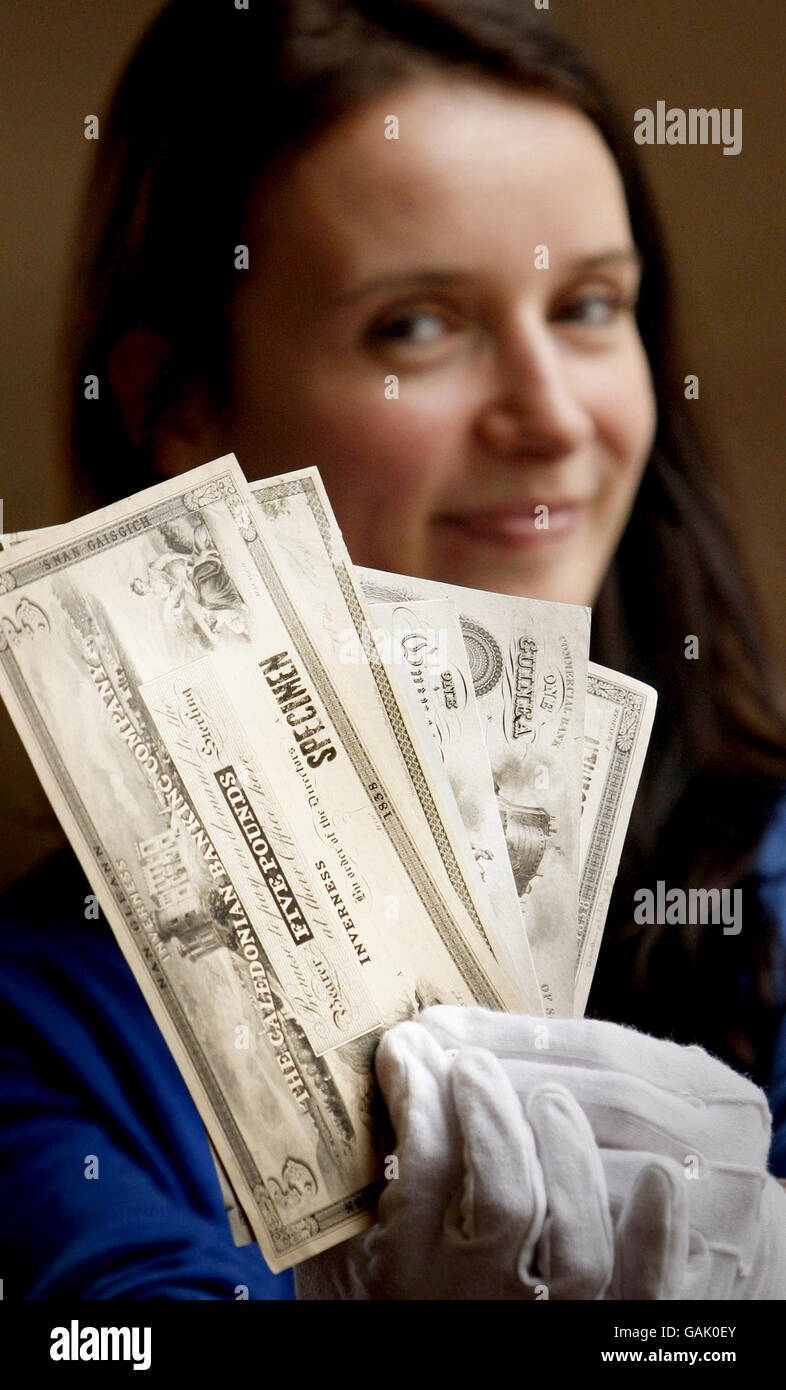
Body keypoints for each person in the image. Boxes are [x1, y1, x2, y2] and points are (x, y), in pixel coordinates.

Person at [1, 0, 785, 1300]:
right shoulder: (39, 1036)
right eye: (414, 327)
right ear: (178, 406)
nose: (549, 415)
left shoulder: (764, 887)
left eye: (589, 305)